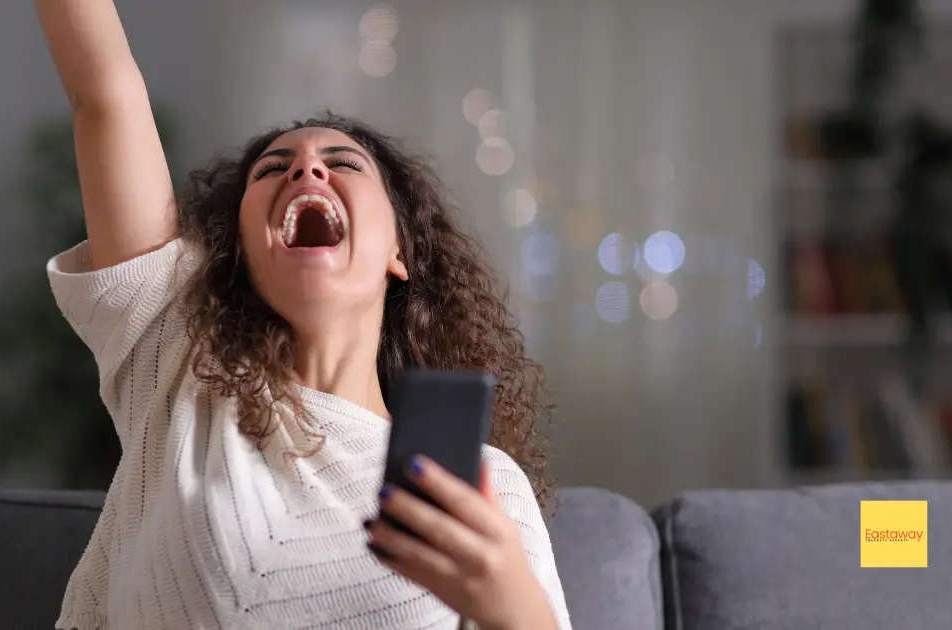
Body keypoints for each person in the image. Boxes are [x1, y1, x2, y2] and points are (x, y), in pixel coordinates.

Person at [36, 1, 572, 628]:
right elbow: (104, 93)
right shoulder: (175, 355)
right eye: (273, 169)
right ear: (239, 253)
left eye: (342, 164)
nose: (306, 168)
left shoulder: (486, 483)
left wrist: (511, 603)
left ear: (398, 252)